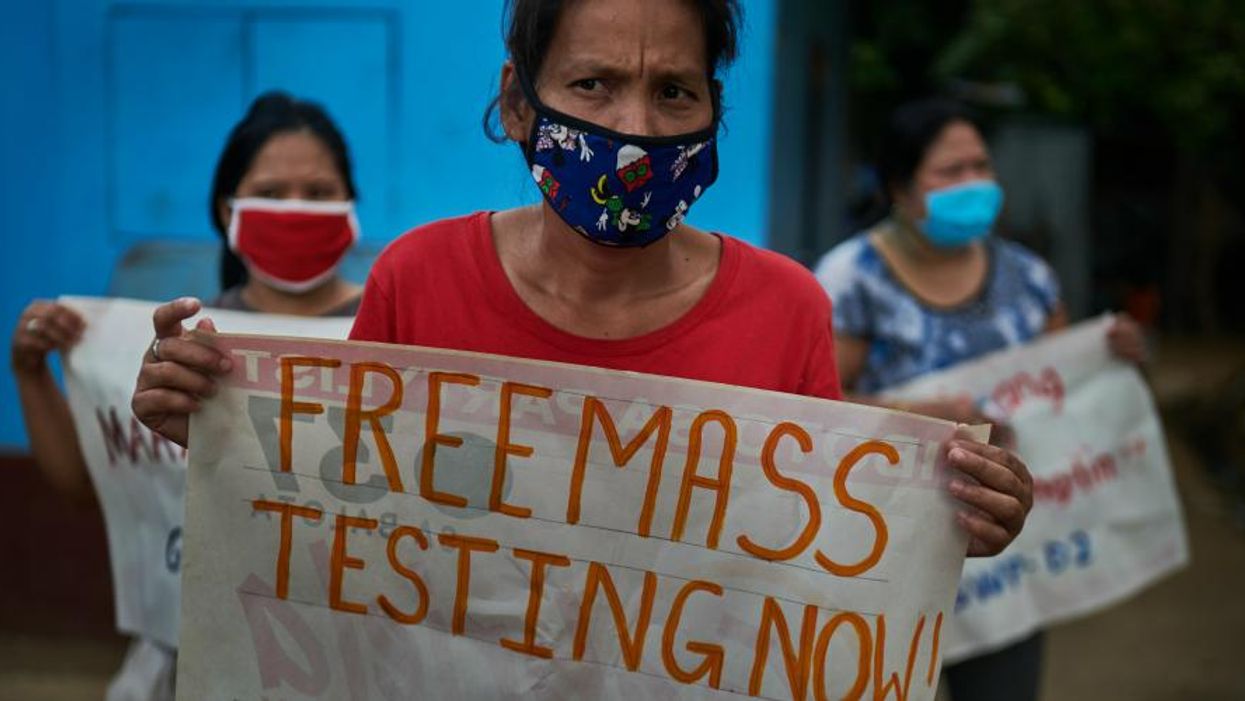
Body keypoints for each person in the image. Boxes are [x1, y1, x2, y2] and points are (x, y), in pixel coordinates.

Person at [134, 0, 1032, 601]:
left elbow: (808, 562)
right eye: (592, 84)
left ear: (712, 112)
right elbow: (345, 526)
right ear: (518, 103)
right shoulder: (418, 279)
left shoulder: (787, 308)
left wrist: (938, 524)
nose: (633, 131)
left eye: (671, 90)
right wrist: (224, 437)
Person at [11, 90, 363, 701]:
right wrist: (31, 372)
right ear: (228, 209)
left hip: (348, 656)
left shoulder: (391, 330)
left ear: (350, 204)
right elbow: (82, 485)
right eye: (272, 194)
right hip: (193, 655)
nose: (296, 209)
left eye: (319, 192)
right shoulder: (175, 343)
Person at [812, 97, 1146, 701]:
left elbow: (1065, 386)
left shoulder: (1030, 278)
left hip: (1002, 559)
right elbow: (815, 405)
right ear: (900, 187)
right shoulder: (849, 280)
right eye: (950, 171)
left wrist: (1110, 352)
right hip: (878, 558)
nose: (974, 183)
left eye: (981, 166)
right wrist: (919, 418)